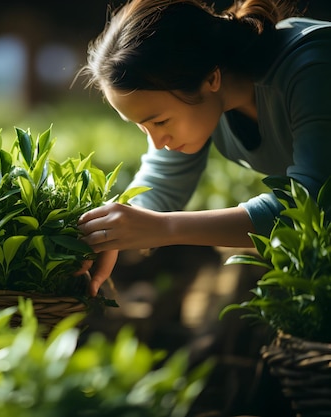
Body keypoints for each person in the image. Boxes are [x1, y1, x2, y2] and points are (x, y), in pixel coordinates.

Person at [75, 0, 331, 297]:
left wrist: (165, 228)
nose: (157, 142)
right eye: (142, 126)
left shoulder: (312, 67)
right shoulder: (205, 97)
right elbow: (162, 181)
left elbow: (314, 202)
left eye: (159, 121)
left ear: (211, 78)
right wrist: (112, 233)